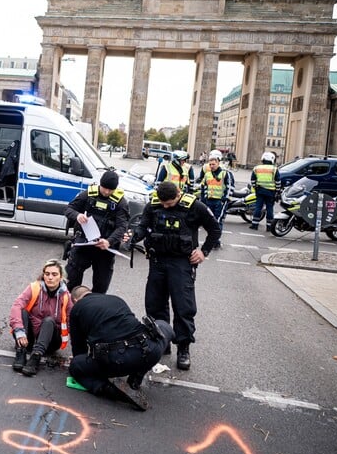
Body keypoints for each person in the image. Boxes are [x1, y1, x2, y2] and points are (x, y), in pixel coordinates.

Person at [123, 180, 220, 371]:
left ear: (178, 195)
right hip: (157, 260)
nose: (166, 206)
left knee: (183, 306)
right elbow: (143, 226)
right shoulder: (154, 205)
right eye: (163, 203)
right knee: (155, 304)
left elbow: (215, 230)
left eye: (169, 203)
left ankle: (183, 348)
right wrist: (133, 236)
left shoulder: (194, 206)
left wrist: (204, 252)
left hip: (182, 263)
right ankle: (161, 340)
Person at [67, 285, 174, 411]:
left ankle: (110, 390)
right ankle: (136, 378)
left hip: (115, 362)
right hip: (148, 351)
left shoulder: (77, 309)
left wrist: (83, 361)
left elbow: (79, 347)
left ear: (75, 300)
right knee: (163, 325)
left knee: (76, 365)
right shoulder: (116, 299)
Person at [63, 170, 130, 294]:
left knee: (101, 286)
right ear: (100, 184)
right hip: (84, 243)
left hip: (104, 248)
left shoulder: (120, 202)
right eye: (104, 188)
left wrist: (109, 241)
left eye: (110, 190)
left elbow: (122, 227)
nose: (106, 192)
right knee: (70, 280)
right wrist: (77, 215)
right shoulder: (89, 194)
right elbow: (68, 209)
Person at [8, 259, 72, 377]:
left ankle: (36, 357)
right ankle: (21, 351)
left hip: (51, 342)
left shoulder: (66, 297)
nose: (50, 278)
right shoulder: (34, 288)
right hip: (29, 339)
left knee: (48, 320)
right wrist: (20, 332)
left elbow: (72, 322)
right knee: (22, 311)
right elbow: (16, 305)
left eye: (54, 274)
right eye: (47, 274)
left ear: (61, 277)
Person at [200, 150, 234, 248]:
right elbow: (203, 187)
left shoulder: (225, 173)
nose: (211, 166)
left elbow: (230, 187)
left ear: (218, 163)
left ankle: (216, 241)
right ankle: (213, 240)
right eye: (210, 164)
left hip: (220, 201)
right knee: (210, 221)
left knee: (218, 221)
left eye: (213, 164)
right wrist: (203, 199)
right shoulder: (207, 174)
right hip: (209, 200)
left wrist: (225, 199)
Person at [249, 151, 279, 231]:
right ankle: (269, 226)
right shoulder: (274, 169)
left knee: (258, 207)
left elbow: (252, 180)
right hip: (271, 192)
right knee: (269, 208)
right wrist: (278, 191)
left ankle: (254, 225)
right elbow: (278, 182)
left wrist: (256, 188)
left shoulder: (257, 168)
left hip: (260, 191)